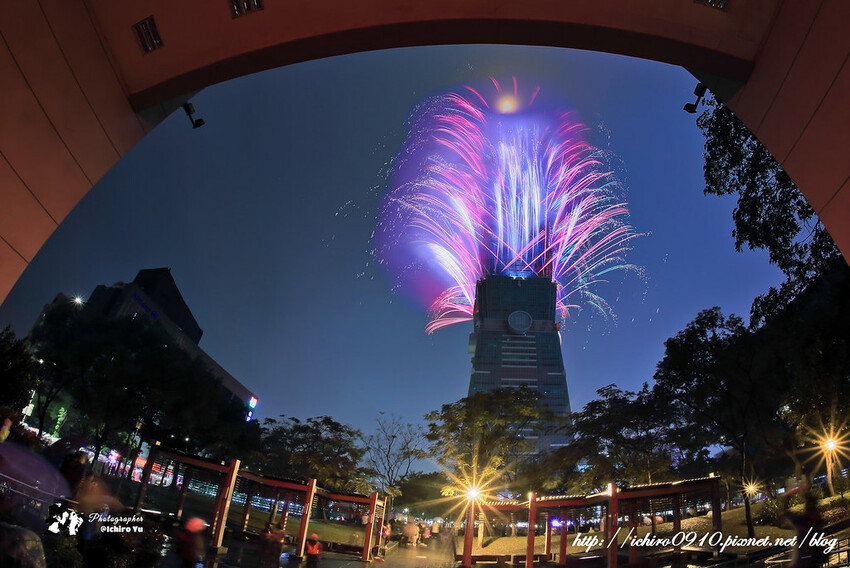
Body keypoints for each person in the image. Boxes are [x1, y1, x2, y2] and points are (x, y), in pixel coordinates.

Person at [783, 490, 824, 568]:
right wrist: (806, 494)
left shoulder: (802, 520)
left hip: (803, 559)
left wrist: (787, 498)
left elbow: (786, 512)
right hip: (815, 558)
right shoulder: (817, 519)